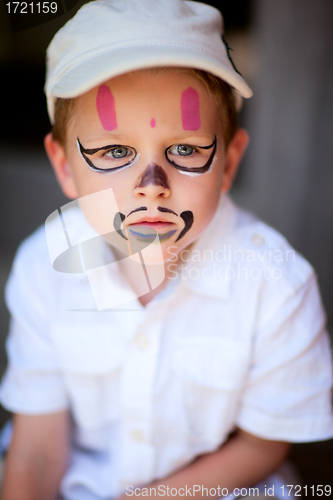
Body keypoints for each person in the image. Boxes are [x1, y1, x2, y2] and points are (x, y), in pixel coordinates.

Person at [0, 1, 332, 499]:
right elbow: (37, 449)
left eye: (186, 149)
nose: (151, 185)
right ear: (65, 166)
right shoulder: (42, 266)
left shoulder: (277, 282)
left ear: (229, 162)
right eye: (114, 151)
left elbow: (263, 445)